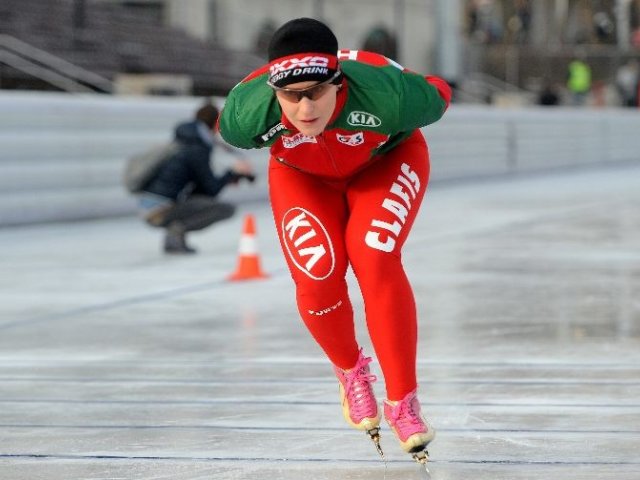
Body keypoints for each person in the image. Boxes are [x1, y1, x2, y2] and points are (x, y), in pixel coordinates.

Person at [217, 18, 451, 462]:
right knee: (317, 274)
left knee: (374, 255)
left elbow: (440, 92)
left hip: (384, 162)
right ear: (273, 91)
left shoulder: (390, 95)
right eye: (291, 96)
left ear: (339, 81)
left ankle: (403, 400)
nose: (306, 109)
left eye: (317, 92)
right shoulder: (246, 116)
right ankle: (350, 371)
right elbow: (225, 127)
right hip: (302, 176)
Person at [139, 102, 255, 254]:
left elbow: (200, 190)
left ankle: (174, 236)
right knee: (226, 209)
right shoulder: (198, 148)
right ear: (215, 123)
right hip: (158, 211)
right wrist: (232, 172)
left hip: (150, 207)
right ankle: (176, 231)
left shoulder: (187, 141)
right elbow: (211, 189)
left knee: (204, 202)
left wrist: (230, 176)